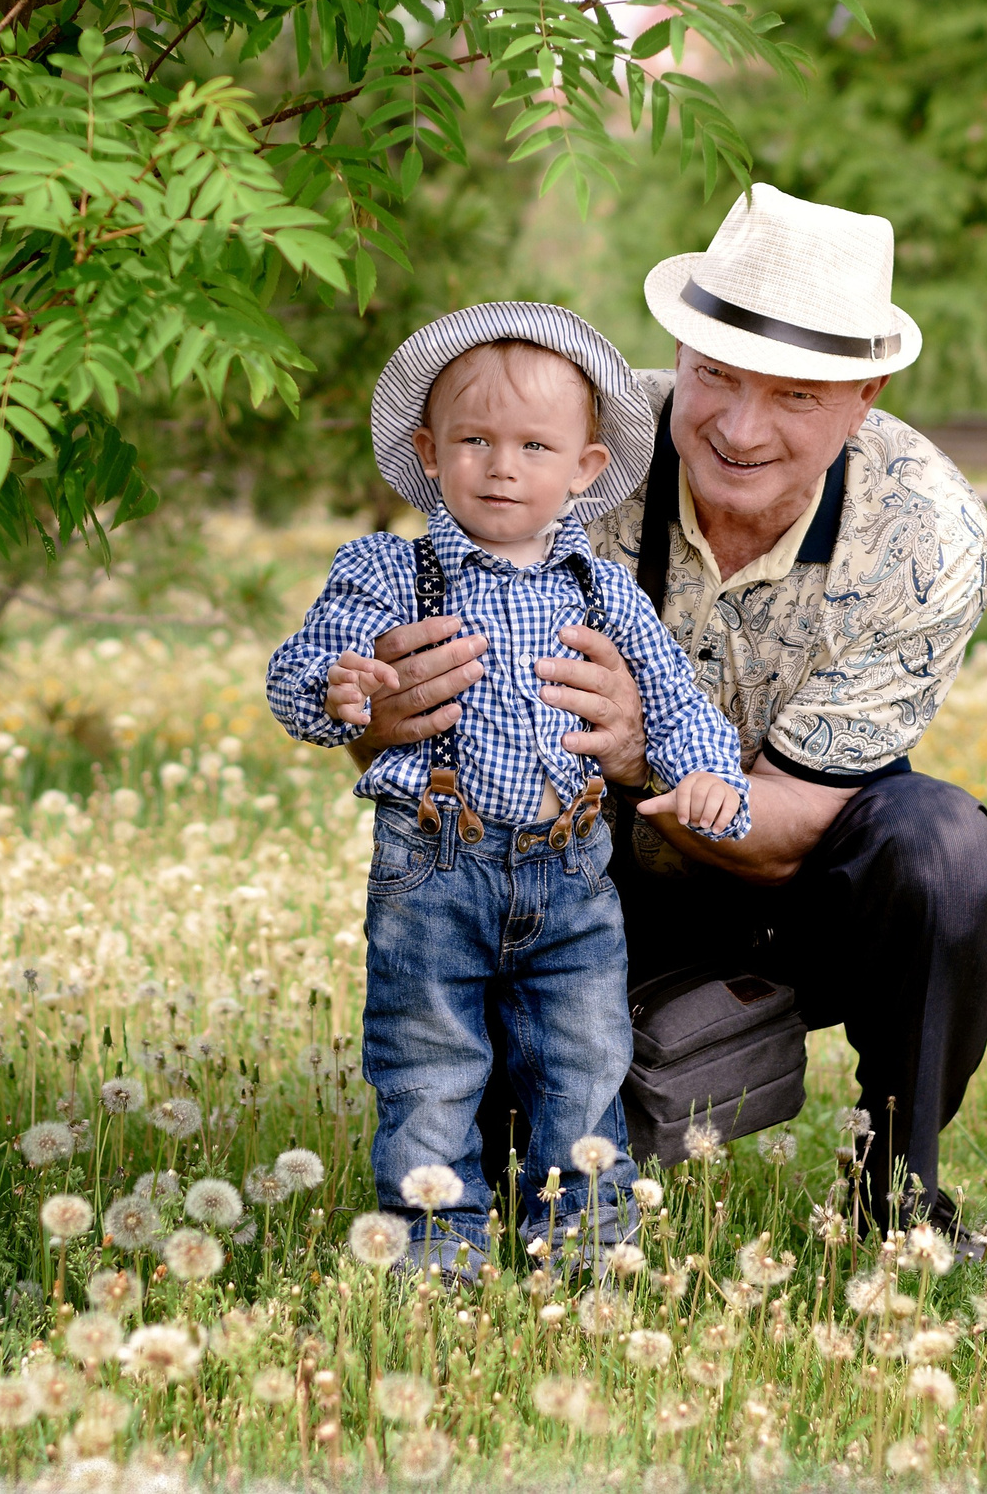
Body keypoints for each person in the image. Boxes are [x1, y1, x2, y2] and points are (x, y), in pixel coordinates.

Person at [346, 187, 987, 1243]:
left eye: (794, 397)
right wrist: (380, 711)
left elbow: (799, 814)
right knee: (512, 1163)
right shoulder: (569, 447)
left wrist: (641, 753)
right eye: (714, 377)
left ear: (864, 393)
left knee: (941, 855)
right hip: (567, 880)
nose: (739, 431)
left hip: (796, 882)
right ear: (676, 349)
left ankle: (896, 1199)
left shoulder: (926, 533)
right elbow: (402, 681)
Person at [265, 303, 751, 1273]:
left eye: (534, 445)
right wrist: (337, 685)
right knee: (428, 1063)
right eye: (474, 440)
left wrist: (708, 773)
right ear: (429, 451)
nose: (501, 466)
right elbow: (299, 673)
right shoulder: (386, 572)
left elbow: (671, 695)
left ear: (582, 469)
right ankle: (432, 1248)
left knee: (582, 1064)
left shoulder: (602, 591)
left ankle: (585, 1245)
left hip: (571, 877)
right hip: (434, 870)